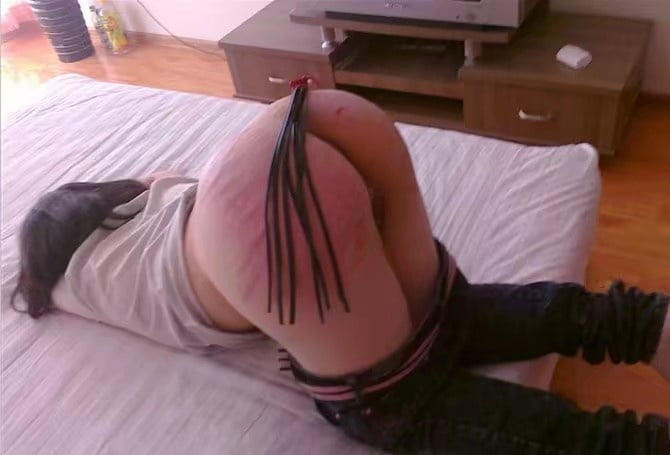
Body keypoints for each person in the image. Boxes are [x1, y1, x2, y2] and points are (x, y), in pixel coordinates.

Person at [11, 87, 670, 454]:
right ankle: (647, 323)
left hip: (249, 228)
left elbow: (33, 286)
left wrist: (35, 281)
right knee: (444, 316)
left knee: (390, 402)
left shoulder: (71, 278)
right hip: (314, 119)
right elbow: (160, 178)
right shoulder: (142, 201)